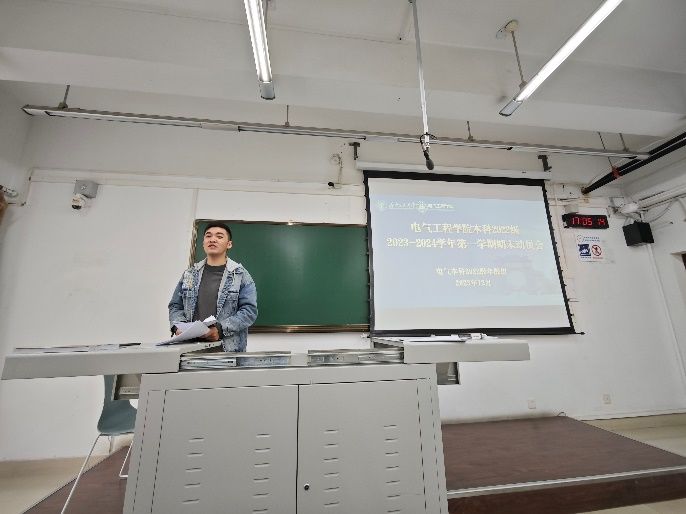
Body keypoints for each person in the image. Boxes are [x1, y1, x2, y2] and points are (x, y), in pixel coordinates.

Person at [168, 222, 257, 352]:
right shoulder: (190, 274)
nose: (212, 239)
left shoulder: (240, 275)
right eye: (208, 236)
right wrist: (177, 326)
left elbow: (249, 311)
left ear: (229, 244)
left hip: (227, 352)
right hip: (190, 351)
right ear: (203, 243)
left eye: (219, 236)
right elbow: (175, 306)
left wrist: (220, 330)